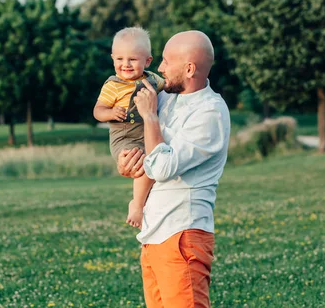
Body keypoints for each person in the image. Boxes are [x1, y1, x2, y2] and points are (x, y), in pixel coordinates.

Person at [118, 30, 231, 308]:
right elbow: (144, 152)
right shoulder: (167, 98)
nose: (160, 67)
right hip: (154, 232)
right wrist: (126, 161)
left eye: (167, 61)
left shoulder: (210, 113)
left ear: (189, 68)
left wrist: (149, 116)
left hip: (183, 235)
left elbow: (162, 167)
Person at [93, 27, 164, 229]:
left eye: (132, 59)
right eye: (120, 59)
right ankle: (137, 204)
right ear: (113, 58)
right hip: (123, 135)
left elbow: (168, 88)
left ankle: (144, 199)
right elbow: (98, 111)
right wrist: (110, 113)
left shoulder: (153, 80)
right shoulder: (113, 85)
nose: (125, 64)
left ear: (147, 61)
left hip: (146, 133)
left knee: (152, 158)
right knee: (136, 159)